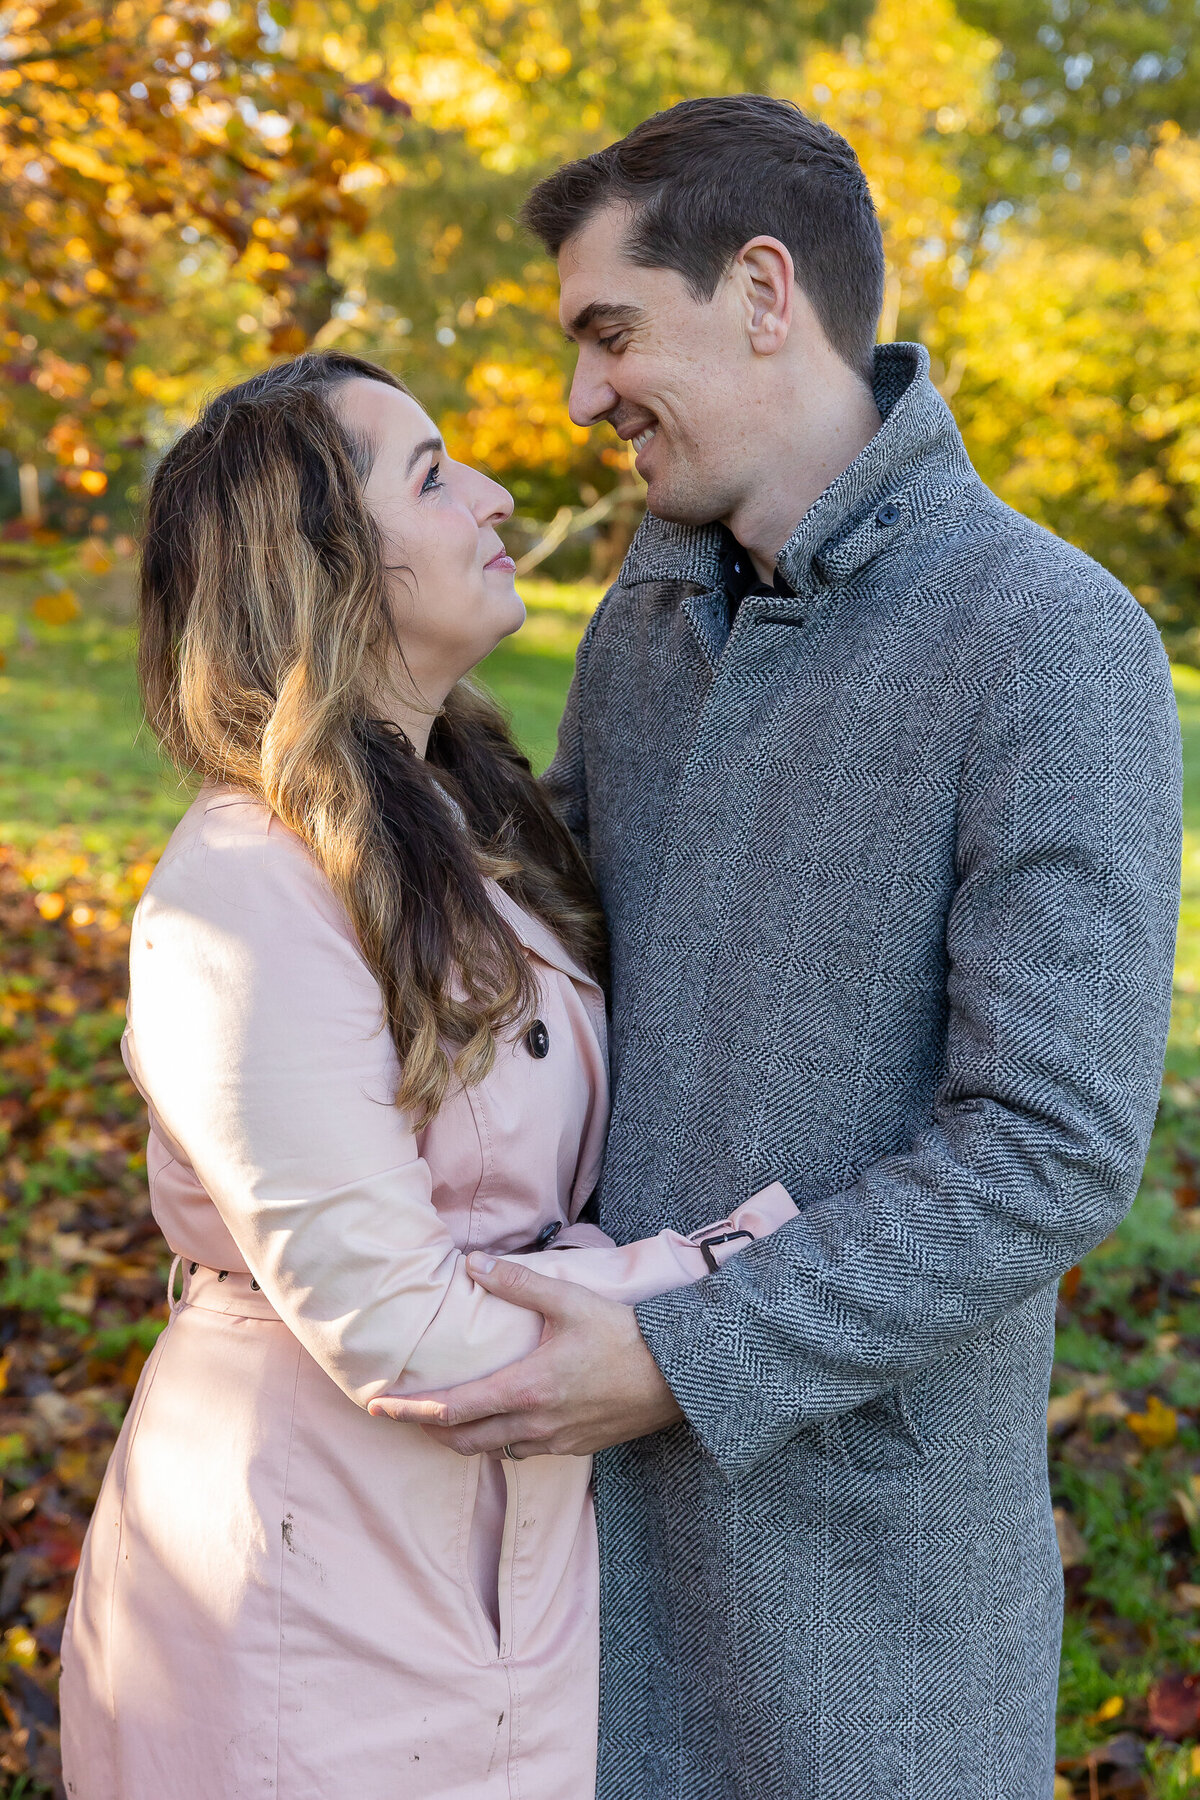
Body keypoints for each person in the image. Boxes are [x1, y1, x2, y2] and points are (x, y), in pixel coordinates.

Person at [381, 97, 1184, 1798]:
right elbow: (544, 981)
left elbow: (1051, 1152)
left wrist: (686, 1354)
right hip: (567, 1551)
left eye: (610, 333)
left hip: (857, 1582)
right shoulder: (643, 620)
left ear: (762, 290)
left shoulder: (1052, 640)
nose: (583, 398)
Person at [57, 349, 798, 1800]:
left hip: (500, 1565)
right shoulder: (244, 892)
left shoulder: (469, 828)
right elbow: (392, 1322)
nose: (496, 492)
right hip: (298, 1584)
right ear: (325, 568)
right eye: (432, 472)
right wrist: (712, 1284)